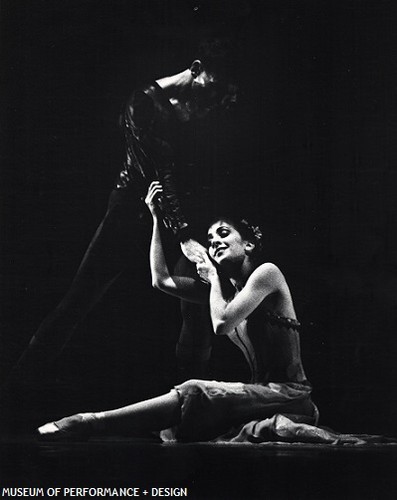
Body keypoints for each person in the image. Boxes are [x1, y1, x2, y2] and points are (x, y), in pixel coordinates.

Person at [1, 38, 239, 408]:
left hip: (185, 216)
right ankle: (13, 393)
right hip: (133, 213)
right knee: (78, 301)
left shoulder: (203, 102)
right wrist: (183, 237)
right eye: (214, 82)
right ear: (195, 68)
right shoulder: (142, 103)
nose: (217, 92)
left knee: (196, 309)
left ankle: (190, 409)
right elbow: (162, 175)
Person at [37, 181, 322, 443]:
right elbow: (160, 280)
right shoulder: (221, 292)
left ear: (249, 244)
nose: (215, 243)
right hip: (260, 396)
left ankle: (88, 422)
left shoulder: (266, 273)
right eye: (210, 241)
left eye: (224, 234)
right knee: (181, 428)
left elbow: (221, 322)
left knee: (195, 391)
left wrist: (211, 277)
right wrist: (156, 220)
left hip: (290, 395)